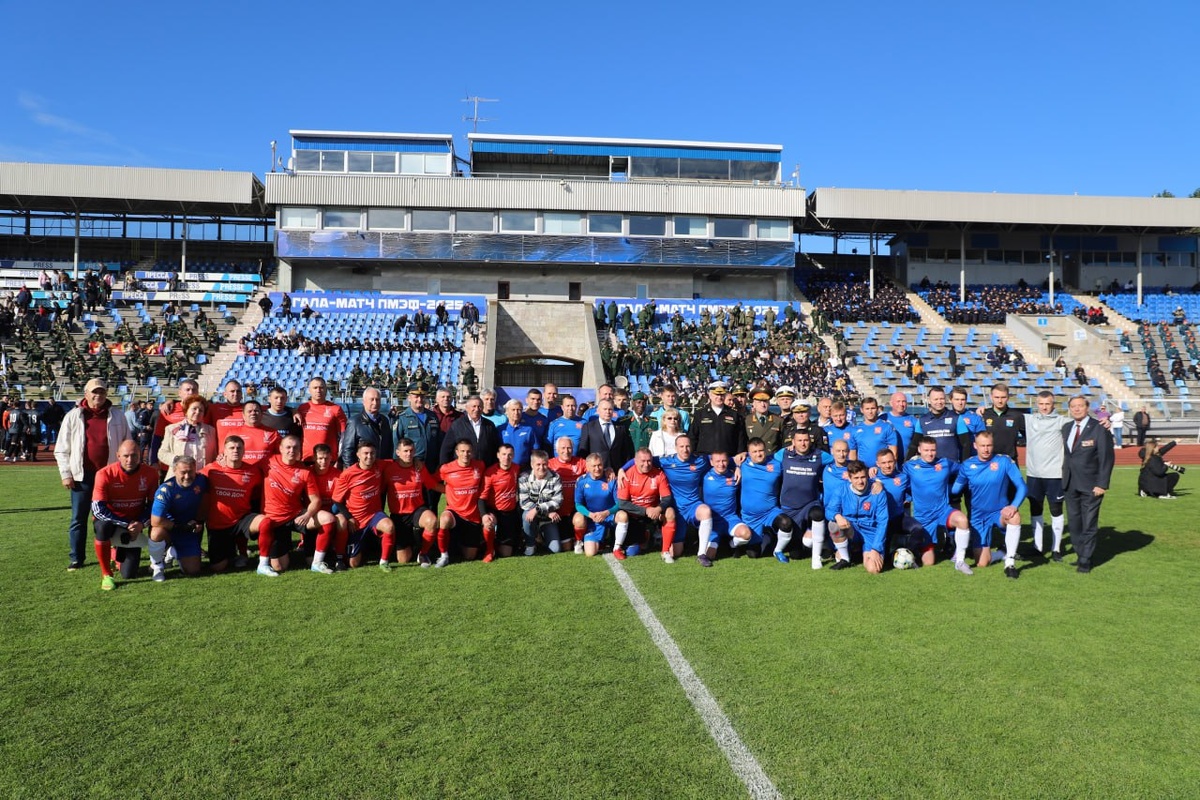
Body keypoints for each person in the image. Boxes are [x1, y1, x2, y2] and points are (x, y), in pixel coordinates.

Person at [55, 378, 130, 571]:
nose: (98, 395)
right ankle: (76, 558)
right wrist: (66, 473)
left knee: (112, 517)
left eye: (102, 392)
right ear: (86, 394)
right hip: (82, 477)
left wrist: (124, 470)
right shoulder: (73, 416)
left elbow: (127, 443)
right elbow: (61, 448)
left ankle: (115, 555)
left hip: (110, 476)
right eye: (94, 392)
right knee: (78, 519)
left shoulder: (118, 415)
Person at [952, 431, 1027, 578]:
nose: (986, 449)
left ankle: (1010, 563)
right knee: (982, 563)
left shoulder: (1004, 461)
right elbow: (955, 489)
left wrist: (1013, 506)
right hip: (978, 516)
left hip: (999, 513)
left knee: (1015, 517)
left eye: (989, 445)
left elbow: (1022, 487)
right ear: (975, 446)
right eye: (982, 446)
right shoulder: (967, 465)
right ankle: (1002, 552)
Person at [256, 435, 333, 577]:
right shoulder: (267, 462)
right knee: (280, 566)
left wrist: (307, 515)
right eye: (288, 447)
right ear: (280, 448)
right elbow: (245, 467)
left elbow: (316, 500)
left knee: (327, 518)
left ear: (299, 450)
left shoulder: (304, 471)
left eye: (295, 447)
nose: (291, 450)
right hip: (274, 519)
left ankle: (317, 563)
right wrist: (222, 460)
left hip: (296, 515)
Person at [90, 439, 159, 590]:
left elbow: (154, 506)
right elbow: (98, 509)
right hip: (113, 521)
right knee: (102, 527)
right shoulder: (104, 474)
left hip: (135, 523)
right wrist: (127, 523)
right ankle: (107, 574)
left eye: (134, 455)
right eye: (126, 456)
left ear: (140, 455)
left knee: (129, 574)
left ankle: (115, 553)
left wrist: (141, 523)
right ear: (118, 456)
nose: (130, 460)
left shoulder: (151, 473)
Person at [903, 435, 973, 572]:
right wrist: (907, 496)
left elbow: (964, 469)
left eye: (933, 450)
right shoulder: (909, 466)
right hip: (923, 517)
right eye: (926, 450)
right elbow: (899, 481)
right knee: (928, 562)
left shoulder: (945, 463)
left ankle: (959, 560)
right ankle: (912, 547)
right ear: (919, 450)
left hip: (943, 511)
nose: (930, 453)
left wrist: (956, 487)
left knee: (962, 520)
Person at [1062, 395, 1114, 574]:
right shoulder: (1066, 428)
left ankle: (1085, 559)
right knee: (1074, 523)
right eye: (1073, 406)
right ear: (1069, 409)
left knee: (1089, 523)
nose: (1076, 409)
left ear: (1087, 407)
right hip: (1070, 484)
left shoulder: (1099, 428)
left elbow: (1107, 458)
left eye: (1080, 406)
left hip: (1092, 485)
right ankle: (1080, 554)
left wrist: (1102, 484)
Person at [200, 435, 263, 573]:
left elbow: (259, 492)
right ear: (224, 451)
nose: (235, 450)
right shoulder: (211, 469)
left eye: (239, 448)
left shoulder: (253, 472)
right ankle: (232, 554)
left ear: (244, 451)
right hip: (218, 524)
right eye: (232, 448)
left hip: (241, 520)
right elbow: (194, 482)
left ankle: (263, 560)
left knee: (264, 522)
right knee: (218, 567)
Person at [335, 442, 397, 570]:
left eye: (372, 453)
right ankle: (364, 546)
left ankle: (384, 562)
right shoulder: (348, 474)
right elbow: (336, 500)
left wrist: (416, 461)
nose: (369, 456)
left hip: (374, 514)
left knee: (389, 526)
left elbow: (399, 461)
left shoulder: (379, 465)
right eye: (366, 453)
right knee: (353, 564)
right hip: (357, 520)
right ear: (358, 455)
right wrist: (349, 518)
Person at [1023, 391, 1068, 561]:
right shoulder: (1029, 419)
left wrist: (1105, 421)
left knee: (1056, 510)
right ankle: (1037, 547)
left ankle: (1056, 549)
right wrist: (982, 411)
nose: (1044, 407)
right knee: (1036, 510)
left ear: (1053, 404)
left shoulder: (1062, 421)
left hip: (1055, 475)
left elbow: (1084, 423)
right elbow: (1006, 415)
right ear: (1037, 404)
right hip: (1034, 474)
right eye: (1041, 404)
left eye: (1047, 404)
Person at [778, 429, 834, 568]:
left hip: (810, 503)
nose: (803, 443)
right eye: (799, 440)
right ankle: (809, 539)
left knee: (818, 514)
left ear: (810, 441)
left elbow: (838, 460)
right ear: (793, 442)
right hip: (789, 508)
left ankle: (816, 558)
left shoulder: (820, 455)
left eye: (806, 440)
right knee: (795, 554)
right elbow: (764, 459)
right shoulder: (784, 453)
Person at [148, 455, 208, 580]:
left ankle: (172, 552)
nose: (187, 476)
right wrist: (180, 527)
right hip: (170, 529)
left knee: (193, 570)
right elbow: (156, 520)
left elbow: (205, 501)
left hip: (188, 530)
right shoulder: (166, 489)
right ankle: (157, 566)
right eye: (183, 472)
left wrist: (199, 521)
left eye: (190, 471)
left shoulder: (201, 481)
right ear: (174, 470)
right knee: (156, 533)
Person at [825, 460, 890, 574]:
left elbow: (883, 522)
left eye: (863, 477)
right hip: (851, 529)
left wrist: (876, 548)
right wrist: (837, 516)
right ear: (849, 478)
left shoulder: (877, 491)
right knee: (833, 525)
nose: (860, 481)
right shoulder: (842, 489)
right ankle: (845, 557)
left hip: (870, 532)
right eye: (856, 478)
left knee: (873, 569)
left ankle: (859, 552)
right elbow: (829, 510)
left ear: (867, 476)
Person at [613, 448, 675, 561]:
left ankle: (665, 550)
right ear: (635, 461)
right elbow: (622, 503)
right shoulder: (627, 475)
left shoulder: (659, 474)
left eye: (649, 461)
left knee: (670, 512)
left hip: (653, 514)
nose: (646, 464)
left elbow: (667, 498)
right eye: (643, 461)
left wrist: (658, 509)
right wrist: (645, 511)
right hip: (633, 516)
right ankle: (617, 547)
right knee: (633, 551)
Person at [658, 436, 712, 564]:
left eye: (687, 446)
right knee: (676, 552)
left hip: (693, 506)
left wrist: (736, 466)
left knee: (706, 511)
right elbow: (642, 459)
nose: (685, 449)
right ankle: (684, 540)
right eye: (681, 446)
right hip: (676, 509)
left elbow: (720, 458)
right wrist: (622, 470)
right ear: (676, 448)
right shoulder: (666, 461)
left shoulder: (700, 461)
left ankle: (701, 554)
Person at [435, 438, 487, 566]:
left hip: (472, 516)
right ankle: (443, 555)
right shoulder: (446, 468)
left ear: (472, 452)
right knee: (445, 519)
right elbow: (431, 482)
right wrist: (448, 490)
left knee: (470, 556)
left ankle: (456, 542)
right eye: (462, 451)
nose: (465, 454)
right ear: (457, 452)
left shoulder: (479, 466)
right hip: (454, 513)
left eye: (468, 451)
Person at [480, 443, 522, 562]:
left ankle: (495, 541)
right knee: (489, 522)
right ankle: (489, 550)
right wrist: (484, 515)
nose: (506, 458)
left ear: (513, 456)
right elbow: (482, 498)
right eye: (503, 454)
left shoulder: (516, 468)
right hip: (494, 510)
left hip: (509, 513)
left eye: (509, 455)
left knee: (506, 553)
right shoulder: (490, 472)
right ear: (498, 455)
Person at [519, 450, 565, 555]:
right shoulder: (523, 478)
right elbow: (524, 502)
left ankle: (540, 536)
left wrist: (538, 509)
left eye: (544, 464)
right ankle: (530, 544)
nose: (542, 467)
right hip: (536, 516)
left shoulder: (555, 477)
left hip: (547, 520)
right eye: (538, 464)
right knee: (526, 515)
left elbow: (558, 501)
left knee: (556, 549)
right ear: (532, 465)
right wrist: (547, 512)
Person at [548, 437, 589, 554]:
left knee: (580, 520)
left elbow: (595, 468)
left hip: (576, 509)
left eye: (569, 448)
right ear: (556, 450)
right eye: (563, 448)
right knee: (566, 547)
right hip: (559, 512)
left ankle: (578, 541)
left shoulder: (581, 462)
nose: (566, 451)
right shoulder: (550, 464)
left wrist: (608, 470)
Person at [573, 453, 619, 557]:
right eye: (594, 466)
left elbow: (619, 503)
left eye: (599, 465)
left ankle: (614, 540)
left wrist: (606, 513)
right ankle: (582, 541)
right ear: (587, 467)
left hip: (610, 516)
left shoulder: (611, 478)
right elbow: (578, 504)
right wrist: (590, 515)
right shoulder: (581, 481)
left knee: (622, 516)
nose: (597, 469)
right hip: (593, 519)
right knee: (590, 553)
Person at [295, 376, 347, 463]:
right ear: (309, 390)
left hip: (327, 460)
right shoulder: (302, 408)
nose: (318, 390)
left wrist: (340, 459)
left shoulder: (336, 409)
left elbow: (344, 436)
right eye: (315, 388)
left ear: (326, 390)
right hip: (306, 459)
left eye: (321, 387)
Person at [689, 380, 746, 458]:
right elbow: (692, 437)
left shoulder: (734, 415)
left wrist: (739, 455)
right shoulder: (700, 414)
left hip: (728, 458)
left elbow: (741, 439)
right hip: (704, 458)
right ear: (710, 395)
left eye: (722, 394)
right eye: (716, 394)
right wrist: (693, 456)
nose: (719, 397)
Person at [157, 396, 217, 469]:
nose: (197, 412)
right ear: (186, 411)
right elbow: (162, 453)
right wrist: (177, 460)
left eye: (201, 410)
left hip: (203, 474)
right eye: (194, 408)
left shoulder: (211, 431)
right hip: (178, 474)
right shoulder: (171, 429)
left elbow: (214, 456)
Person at [440, 395, 501, 467]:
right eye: (474, 406)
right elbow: (446, 449)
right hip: (464, 469)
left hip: (485, 468)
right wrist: (444, 467)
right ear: (467, 408)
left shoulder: (489, 425)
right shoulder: (457, 425)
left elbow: (495, 447)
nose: (477, 409)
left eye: (479, 406)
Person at [340, 387, 393, 469]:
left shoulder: (384, 421)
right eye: (372, 399)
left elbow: (388, 447)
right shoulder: (354, 422)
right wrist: (354, 471)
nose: (375, 403)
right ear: (364, 402)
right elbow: (347, 450)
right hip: (362, 471)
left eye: (377, 399)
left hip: (381, 469)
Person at [578, 399, 633, 470]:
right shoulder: (588, 427)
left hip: (616, 471)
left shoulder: (620, 427)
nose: (608, 412)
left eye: (610, 409)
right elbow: (583, 452)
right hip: (596, 470)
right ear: (598, 411)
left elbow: (625, 452)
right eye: (605, 409)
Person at [851, 396, 900, 463]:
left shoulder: (887, 427)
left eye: (873, 408)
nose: (870, 411)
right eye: (867, 409)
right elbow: (853, 454)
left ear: (877, 409)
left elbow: (894, 452)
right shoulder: (855, 430)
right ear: (862, 410)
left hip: (882, 468)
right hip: (863, 468)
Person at [497, 398, 539, 468]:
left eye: (519, 410)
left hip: (523, 469)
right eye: (513, 410)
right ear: (507, 412)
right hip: (505, 468)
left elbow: (535, 450)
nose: (516, 413)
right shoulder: (501, 429)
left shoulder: (528, 429)